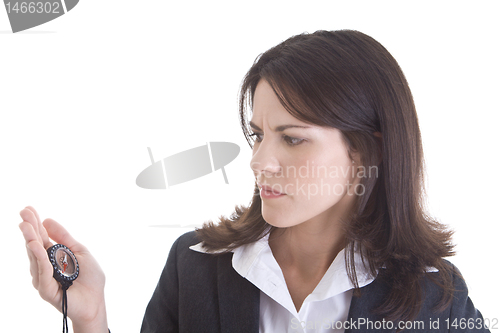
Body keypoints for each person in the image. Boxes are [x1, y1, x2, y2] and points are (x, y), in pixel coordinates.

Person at [19, 29, 490, 333]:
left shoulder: (437, 298)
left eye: (292, 139)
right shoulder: (194, 268)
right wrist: (91, 318)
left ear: (366, 151)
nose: (259, 161)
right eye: (257, 135)